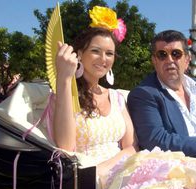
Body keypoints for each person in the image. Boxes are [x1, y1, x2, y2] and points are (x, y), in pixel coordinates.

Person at [52, 5, 138, 176]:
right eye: (95, 51)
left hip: (121, 173)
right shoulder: (65, 94)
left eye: (109, 53)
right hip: (86, 179)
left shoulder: (117, 96)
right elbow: (66, 147)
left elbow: (131, 146)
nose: (103, 59)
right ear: (80, 54)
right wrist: (64, 78)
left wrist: (108, 169)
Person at [127, 30, 196, 158]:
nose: (169, 60)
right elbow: (155, 140)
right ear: (154, 60)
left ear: (187, 59)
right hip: (179, 169)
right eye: (162, 55)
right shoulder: (143, 94)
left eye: (176, 54)